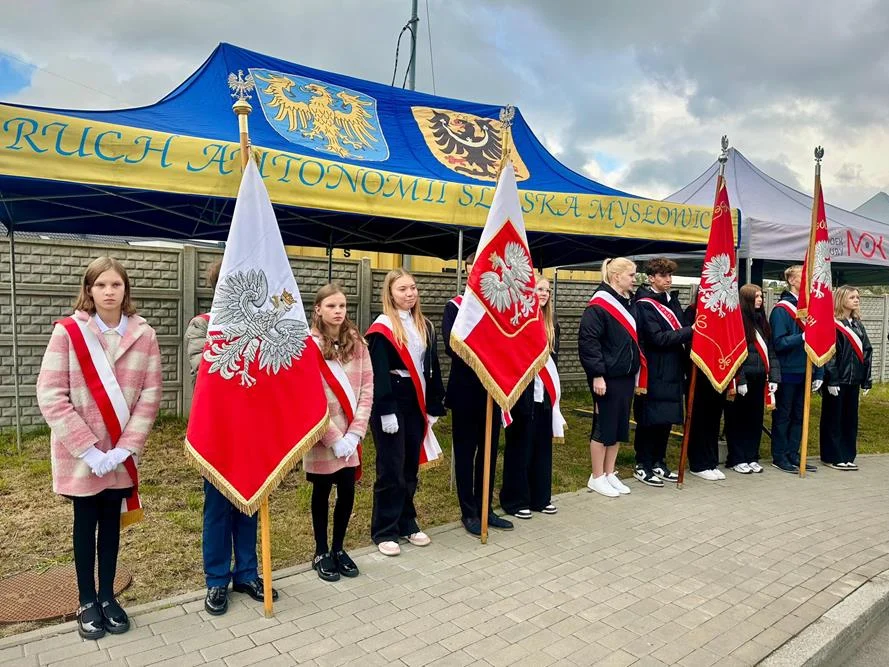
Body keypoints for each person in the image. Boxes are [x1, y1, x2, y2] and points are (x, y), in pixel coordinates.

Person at [37, 257, 162, 640]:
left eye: (116, 285)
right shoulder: (69, 332)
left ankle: (108, 596)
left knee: (111, 524)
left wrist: (125, 448)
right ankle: (86, 599)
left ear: (126, 290)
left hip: (120, 456)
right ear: (89, 290)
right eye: (101, 285)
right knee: (84, 523)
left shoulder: (145, 334)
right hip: (83, 457)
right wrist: (89, 450)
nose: (109, 292)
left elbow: (151, 396)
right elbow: (51, 394)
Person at [185, 259, 278, 615]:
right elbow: (207, 369)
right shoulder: (202, 325)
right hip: (218, 432)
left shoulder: (263, 327)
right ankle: (216, 581)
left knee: (250, 500)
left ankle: (247, 573)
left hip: (254, 430)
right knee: (218, 508)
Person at [367, 268, 446, 556]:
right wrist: (386, 409)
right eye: (402, 289)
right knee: (391, 467)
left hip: (416, 402)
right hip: (392, 402)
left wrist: (435, 403)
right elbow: (378, 374)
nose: (410, 294)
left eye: (413, 288)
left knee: (410, 465)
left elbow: (432, 367)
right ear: (390, 293)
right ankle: (384, 529)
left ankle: (406, 521)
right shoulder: (382, 328)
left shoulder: (424, 325)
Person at [304, 284, 373, 580]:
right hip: (322, 434)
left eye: (342, 306)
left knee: (347, 491)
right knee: (321, 492)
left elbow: (367, 388)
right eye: (331, 306)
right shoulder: (307, 345)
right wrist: (334, 438)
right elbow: (305, 395)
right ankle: (321, 551)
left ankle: (339, 548)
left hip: (351, 435)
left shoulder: (357, 342)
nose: (338, 312)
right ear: (318, 309)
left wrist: (355, 434)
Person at [442, 254, 513, 536]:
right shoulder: (456, 307)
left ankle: (486, 507)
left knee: (489, 450)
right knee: (465, 451)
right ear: (469, 271)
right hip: (466, 390)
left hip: (491, 390)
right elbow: (451, 345)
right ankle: (468, 511)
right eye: (474, 268)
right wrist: (482, 351)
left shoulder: (499, 308)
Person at [578, 258, 641, 498]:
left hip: (625, 375)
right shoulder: (599, 305)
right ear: (616, 277)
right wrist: (597, 375)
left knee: (618, 427)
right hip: (606, 377)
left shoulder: (627, 302)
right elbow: (589, 342)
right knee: (604, 426)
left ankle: (609, 472)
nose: (635, 280)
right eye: (632, 275)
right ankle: (596, 476)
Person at [632, 258, 692, 487]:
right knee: (650, 419)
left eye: (670, 276)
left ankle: (659, 460)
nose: (668, 280)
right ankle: (643, 463)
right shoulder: (644, 304)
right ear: (651, 278)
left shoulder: (671, 300)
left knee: (665, 419)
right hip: (654, 369)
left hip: (674, 368)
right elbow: (656, 338)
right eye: (663, 276)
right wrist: (689, 331)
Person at [769, 266, 821, 473]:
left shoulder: (811, 307)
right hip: (788, 370)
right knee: (784, 415)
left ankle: (793, 453)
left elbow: (819, 342)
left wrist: (819, 371)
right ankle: (779, 455)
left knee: (800, 415)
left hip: (806, 369)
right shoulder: (782, 309)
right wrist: (801, 337)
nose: (808, 280)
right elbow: (778, 343)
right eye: (803, 276)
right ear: (791, 280)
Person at [724, 284, 781, 474]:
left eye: (761, 296)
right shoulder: (737, 320)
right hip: (743, 381)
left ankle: (751, 456)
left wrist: (773, 376)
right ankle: (737, 457)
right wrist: (739, 380)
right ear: (746, 299)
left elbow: (770, 351)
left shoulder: (762, 321)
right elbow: (734, 351)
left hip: (759, 379)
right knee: (737, 420)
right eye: (756, 297)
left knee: (755, 420)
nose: (760, 300)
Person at [820, 285, 872, 470]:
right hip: (838, 380)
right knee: (833, 420)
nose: (856, 300)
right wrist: (832, 379)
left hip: (854, 380)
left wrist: (866, 379)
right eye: (852, 297)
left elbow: (867, 351)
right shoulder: (833, 323)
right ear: (841, 299)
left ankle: (848, 454)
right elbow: (830, 353)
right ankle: (831, 455)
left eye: (857, 297)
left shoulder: (858, 324)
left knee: (850, 420)